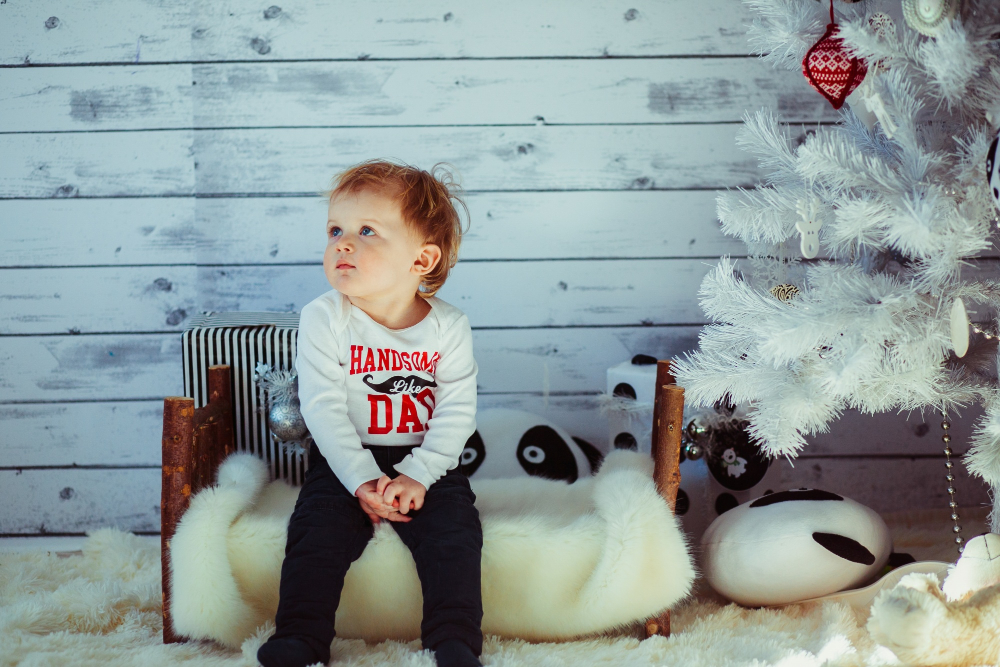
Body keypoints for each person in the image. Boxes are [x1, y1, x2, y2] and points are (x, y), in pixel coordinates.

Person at [257, 160, 483, 667]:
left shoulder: (448, 327)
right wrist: (359, 480)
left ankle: (453, 641)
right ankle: (299, 637)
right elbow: (322, 408)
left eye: (366, 231)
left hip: (428, 461)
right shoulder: (324, 317)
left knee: (456, 537)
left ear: (422, 258)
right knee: (315, 533)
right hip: (344, 458)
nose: (342, 242)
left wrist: (420, 474)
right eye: (335, 229)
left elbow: (456, 409)